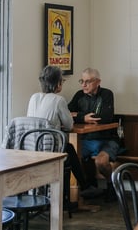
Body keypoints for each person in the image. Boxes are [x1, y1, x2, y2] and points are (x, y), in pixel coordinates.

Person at [27, 65, 103, 199]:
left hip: (31, 146)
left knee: (69, 147)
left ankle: (81, 189)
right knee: (69, 148)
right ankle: (82, 188)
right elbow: (69, 125)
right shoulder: (59, 100)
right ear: (57, 83)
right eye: (62, 81)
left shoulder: (33, 98)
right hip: (49, 149)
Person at [68, 67, 122, 194]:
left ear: (98, 82)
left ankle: (111, 185)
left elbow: (106, 116)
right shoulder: (79, 95)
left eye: (88, 81)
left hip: (107, 139)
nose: (84, 85)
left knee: (101, 161)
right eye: (81, 81)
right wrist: (83, 117)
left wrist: (79, 116)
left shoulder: (107, 94)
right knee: (72, 157)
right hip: (86, 139)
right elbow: (67, 113)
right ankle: (89, 187)